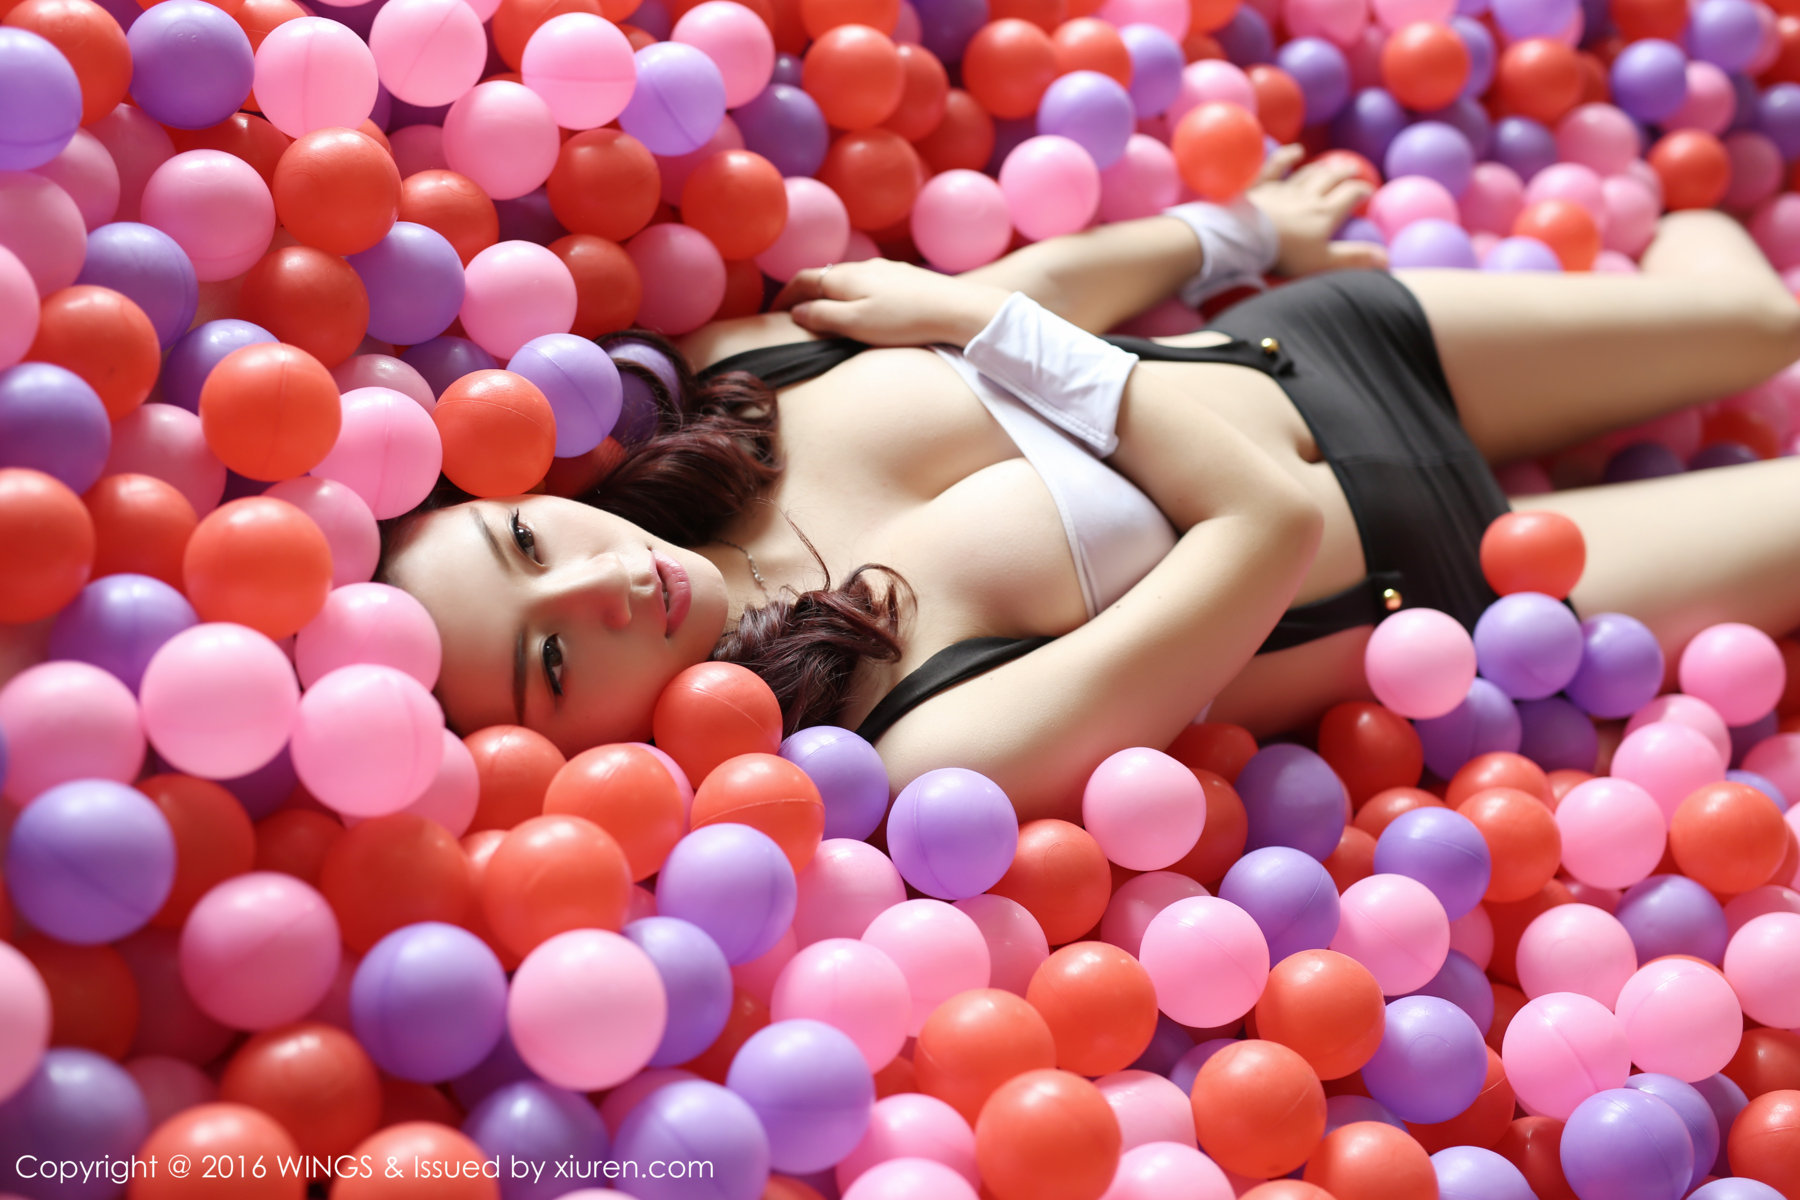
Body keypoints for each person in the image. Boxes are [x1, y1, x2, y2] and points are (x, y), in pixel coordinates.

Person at [378, 150, 1800, 823]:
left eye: (527, 542)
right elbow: (1266, 522)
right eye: (551, 659)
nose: (599, 583)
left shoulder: (729, 386)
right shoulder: (909, 749)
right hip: (1449, 576)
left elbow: (1037, 285)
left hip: (1317, 348)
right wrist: (978, 323)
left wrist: (1234, 231)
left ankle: (1709, 185)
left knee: (1760, 323)